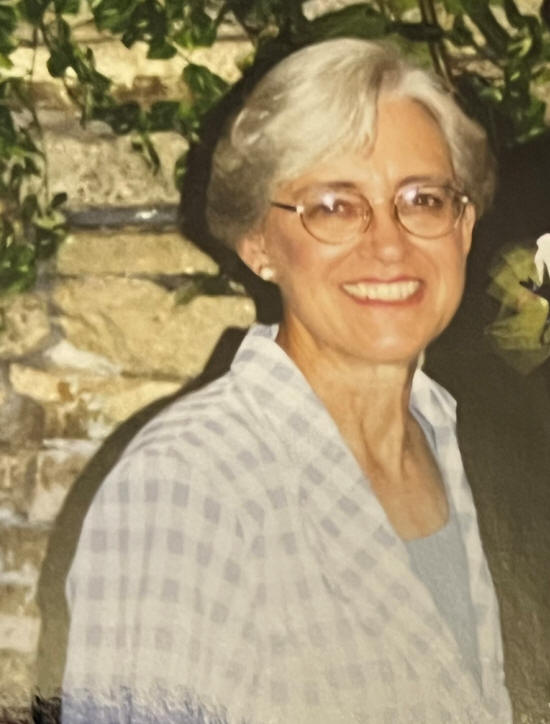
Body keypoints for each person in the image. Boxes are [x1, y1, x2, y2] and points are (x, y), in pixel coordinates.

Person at [61, 38, 512, 723]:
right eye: (334, 206)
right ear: (258, 244)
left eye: (422, 199)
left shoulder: (446, 438)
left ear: (464, 226)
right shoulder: (189, 485)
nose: (389, 244)